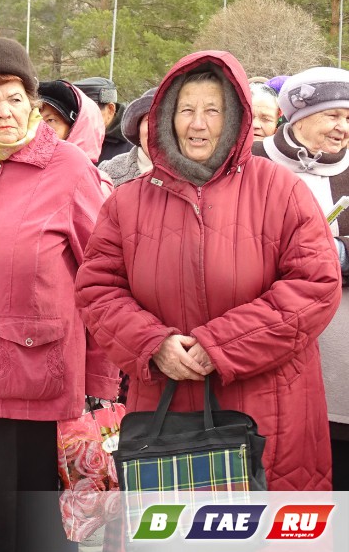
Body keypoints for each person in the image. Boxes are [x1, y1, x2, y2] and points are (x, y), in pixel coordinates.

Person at [76, 50, 341, 491]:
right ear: (165, 118)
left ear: (235, 118)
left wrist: (218, 344)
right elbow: (98, 289)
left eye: (212, 111)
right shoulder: (128, 202)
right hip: (167, 401)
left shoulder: (281, 190)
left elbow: (314, 286)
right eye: (186, 110)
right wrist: (152, 343)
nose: (197, 124)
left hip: (269, 409)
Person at [0, 41, 118, 552]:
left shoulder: (68, 168)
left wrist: (101, 378)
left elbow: (100, 275)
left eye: (15, 98)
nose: (5, 112)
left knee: (27, 529)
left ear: (33, 103)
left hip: (37, 378)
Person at [252, 67, 349, 490]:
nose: (343, 127)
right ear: (298, 115)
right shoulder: (252, 162)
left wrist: (336, 253)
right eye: (334, 115)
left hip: (341, 360)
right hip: (265, 349)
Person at [98, 87, 157, 187]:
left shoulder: (190, 175)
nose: (158, 129)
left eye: (168, 122)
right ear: (138, 127)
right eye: (150, 120)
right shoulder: (108, 171)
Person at [75, 76, 131, 162]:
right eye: (76, 113)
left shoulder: (134, 146)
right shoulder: (67, 138)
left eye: (88, 113)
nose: (81, 119)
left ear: (110, 109)